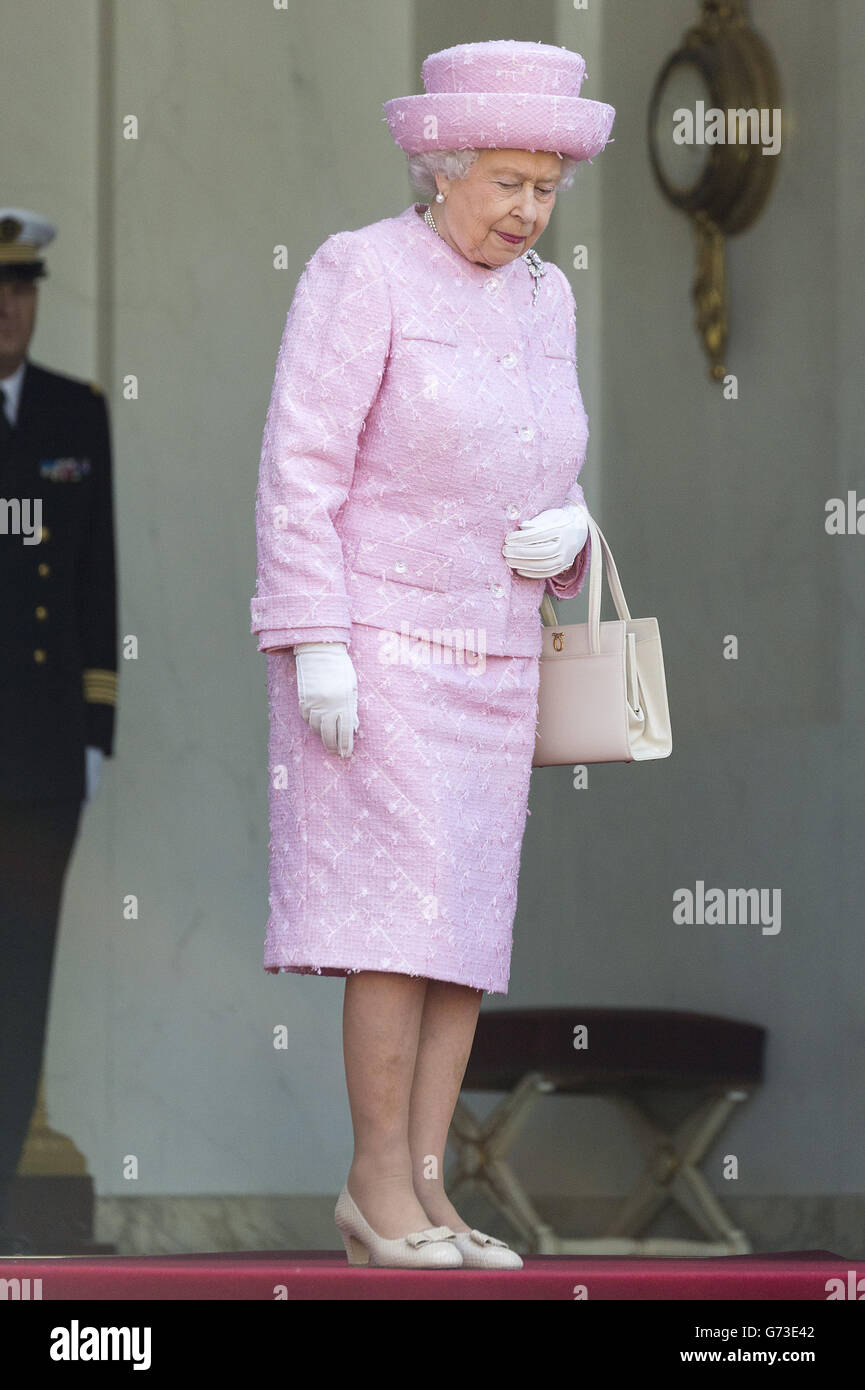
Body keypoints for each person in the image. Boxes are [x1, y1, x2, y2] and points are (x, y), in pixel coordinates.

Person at [250, 40, 614, 1269]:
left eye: (546, 186)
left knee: (461, 938)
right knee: (395, 926)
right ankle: (371, 1187)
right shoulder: (363, 273)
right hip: (382, 649)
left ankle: (427, 1190)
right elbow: (300, 467)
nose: (525, 209)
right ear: (442, 167)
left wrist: (575, 534)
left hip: (495, 658)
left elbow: (543, 461)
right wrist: (316, 643)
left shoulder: (547, 298)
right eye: (506, 180)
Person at [0, 208, 118, 1255]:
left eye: (23, 286)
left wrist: (96, 725)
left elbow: (94, 576)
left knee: (24, 973)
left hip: (41, 754)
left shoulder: (78, 416)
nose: (8, 307)